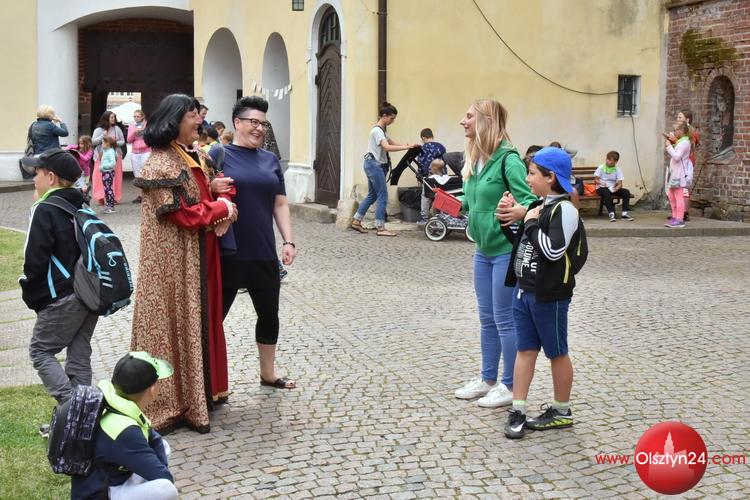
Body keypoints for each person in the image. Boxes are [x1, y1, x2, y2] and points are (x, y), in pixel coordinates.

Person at [131, 94, 237, 433]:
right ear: (174, 119)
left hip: (201, 255)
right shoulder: (160, 164)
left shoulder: (195, 154)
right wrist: (222, 208)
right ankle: (174, 400)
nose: (199, 121)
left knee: (204, 319)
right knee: (176, 321)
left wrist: (218, 192)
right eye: (193, 115)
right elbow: (183, 215)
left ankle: (202, 391)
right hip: (174, 262)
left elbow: (206, 190)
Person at [454, 99, 537, 408]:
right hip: (482, 249)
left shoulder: (508, 160)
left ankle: (510, 384)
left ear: (486, 121)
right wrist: (455, 203)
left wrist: (518, 210)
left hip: (505, 250)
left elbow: (531, 202)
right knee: (487, 318)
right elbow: (474, 199)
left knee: (504, 319)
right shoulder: (477, 159)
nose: (463, 121)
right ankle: (488, 379)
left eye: (469, 116)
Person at [502, 146, 581, 439]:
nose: (527, 178)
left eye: (532, 173)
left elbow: (552, 250)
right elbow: (521, 241)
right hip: (525, 290)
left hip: (550, 295)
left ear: (550, 177)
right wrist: (508, 218)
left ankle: (562, 410)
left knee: (557, 352)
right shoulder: (539, 204)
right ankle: (518, 409)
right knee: (525, 350)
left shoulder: (566, 210)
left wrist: (531, 221)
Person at [222, 96, 297, 389]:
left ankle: (268, 373)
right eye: (253, 122)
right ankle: (208, 380)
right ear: (237, 122)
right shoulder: (218, 155)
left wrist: (288, 241)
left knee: (268, 314)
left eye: (263, 124)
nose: (259, 128)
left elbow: (280, 203)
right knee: (214, 318)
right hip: (228, 252)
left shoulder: (270, 160)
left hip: (263, 251)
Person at [18, 149, 97, 405]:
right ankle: (84, 414)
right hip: (90, 293)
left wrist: (31, 293)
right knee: (79, 353)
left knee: (41, 351)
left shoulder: (44, 208)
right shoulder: (82, 203)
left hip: (62, 296)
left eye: (37, 173)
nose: (34, 179)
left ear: (51, 177)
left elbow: (34, 261)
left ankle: (73, 408)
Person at [70, 352, 178, 500]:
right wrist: (161, 474)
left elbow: (154, 440)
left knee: (163, 447)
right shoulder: (125, 431)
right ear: (153, 390)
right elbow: (163, 477)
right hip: (101, 494)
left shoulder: (115, 403)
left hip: (111, 479)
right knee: (166, 489)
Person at [351, 102, 416, 236]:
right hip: (374, 165)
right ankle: (380, 227)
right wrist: (405, 147)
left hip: (371, 164)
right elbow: (387, 147)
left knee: (372, 195)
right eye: (392, 118)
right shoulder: (377, 131)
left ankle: (356, 221)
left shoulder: (381, 131)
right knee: (383, 195)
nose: (393, 121)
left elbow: (392, 143)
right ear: (384, 116)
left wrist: (408, 145)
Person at [667, 110, 699, 221]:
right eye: (678, 117)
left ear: (687, 120)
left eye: (680, 117)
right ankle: (676, 214)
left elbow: (688, 147)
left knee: (681, 192)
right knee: (672, 193)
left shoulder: (689, 134)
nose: (678, 119)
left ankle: (683, 214)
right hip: (677, 168)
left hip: (684, 166)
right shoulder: (682, 137)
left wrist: (672, 143)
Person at [91, 111, 125, 206]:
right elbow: (93, 142)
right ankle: (100, 196)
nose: (113, 119)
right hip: (101, 155)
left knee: (116, 176)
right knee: (99, 176)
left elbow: (122, 141)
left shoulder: (117, 129)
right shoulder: (98, 130)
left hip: (115, 155)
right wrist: (103, 136)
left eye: (114, 117)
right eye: (111, 117)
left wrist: (114, 142)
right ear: (106, 118)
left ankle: (114, 197)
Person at [415, 128, 447, 223]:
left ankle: (424, 217)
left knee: (425, 196)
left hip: (429, 177)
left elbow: (421, 164)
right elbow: (445, 161)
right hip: (442, 176)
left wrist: (419, 176)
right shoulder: (441, 147)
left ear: (423, 138)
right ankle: (441, 216)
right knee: (440, 195)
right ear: (432, 136)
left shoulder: (423, 148)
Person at [664, 122, 691, 228]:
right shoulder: (680, 142)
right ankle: (675, 216)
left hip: (679, 174)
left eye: (676, 130)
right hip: (674, 173)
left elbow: (677, 157)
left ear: (681, 131)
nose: (674, 132)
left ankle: (680, 219)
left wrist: (669, 147)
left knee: (679, 196)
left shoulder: (685, 143)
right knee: (671, 195)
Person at [593, 151, 634, 222]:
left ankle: (624, 214)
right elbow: (596, 180)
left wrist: (616, 189)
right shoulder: (601, 167)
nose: (608, 162)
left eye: (611, 161)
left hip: (612, 188)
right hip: (601, 188)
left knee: (626, 192)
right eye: (608, 159)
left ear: (616, 161)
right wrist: (601, 183)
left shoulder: (618, 170)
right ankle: (611, 213)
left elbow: (620, 184)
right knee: (606, 192)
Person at [127, 109, 151, 203]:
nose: (136, 118)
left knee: (145, 172)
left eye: (138, 116)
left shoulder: (147, 125)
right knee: (137, 174)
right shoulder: (132, 126)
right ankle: (140, 195)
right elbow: (129, 140)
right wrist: (134, 132)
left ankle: (147, 194)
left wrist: (143, 132)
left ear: (142, 116)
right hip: (135, 152)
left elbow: (151, 137)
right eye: (135, 116)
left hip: (146, 151)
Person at [418, 158, 450, 224]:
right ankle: (443, 215)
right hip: (444, 195)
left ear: (433, 169)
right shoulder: (447, 178)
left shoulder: (429, 179)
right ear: (443, 168)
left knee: (424, 195)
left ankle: (424, 216)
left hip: (432, 194)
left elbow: (426, 193)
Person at [99, 136, 118, 214]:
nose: (102, 144)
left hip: (108, 172)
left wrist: (104, 166)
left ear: (108, 143)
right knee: (106, 189)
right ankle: (108, 205)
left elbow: (113, 163)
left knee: (108, 189)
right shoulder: (107, 151)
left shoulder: (110, 152)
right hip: (105, 172)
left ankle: (111, 206)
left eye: (103, 143)